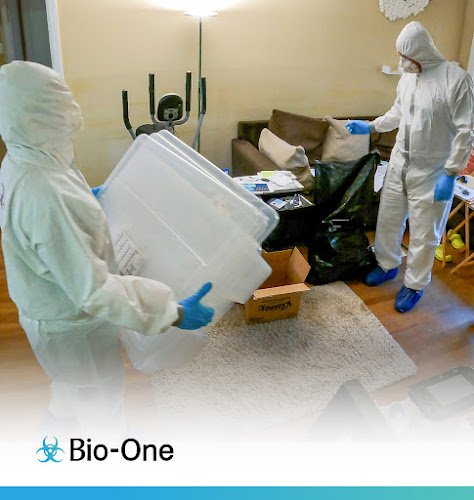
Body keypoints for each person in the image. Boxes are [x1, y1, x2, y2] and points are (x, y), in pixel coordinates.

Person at [0, 61, 214, 431]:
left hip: (46, 311)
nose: (72, 108)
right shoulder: (48, 194)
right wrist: (172, 311)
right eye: (60, 101)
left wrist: (85, 201)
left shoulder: (21, 158)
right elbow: (95, 291)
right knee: (101, 406)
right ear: (40, 115)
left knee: (70, 389)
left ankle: (50, 443)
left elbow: (45, 224)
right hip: (72, 329)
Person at [346, 21, 474, 313]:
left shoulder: (456, 79)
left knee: (424, 232)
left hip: (433, 170)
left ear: (422, 52)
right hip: (400, 162)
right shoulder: (408, 78)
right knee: (388, 218)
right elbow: (397, 112)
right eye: (400, 55)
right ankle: (387, 263)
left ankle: (415, 284)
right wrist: (371, 126)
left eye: (407, 56)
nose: (402, 62)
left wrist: (450, 173)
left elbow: (465, 131)